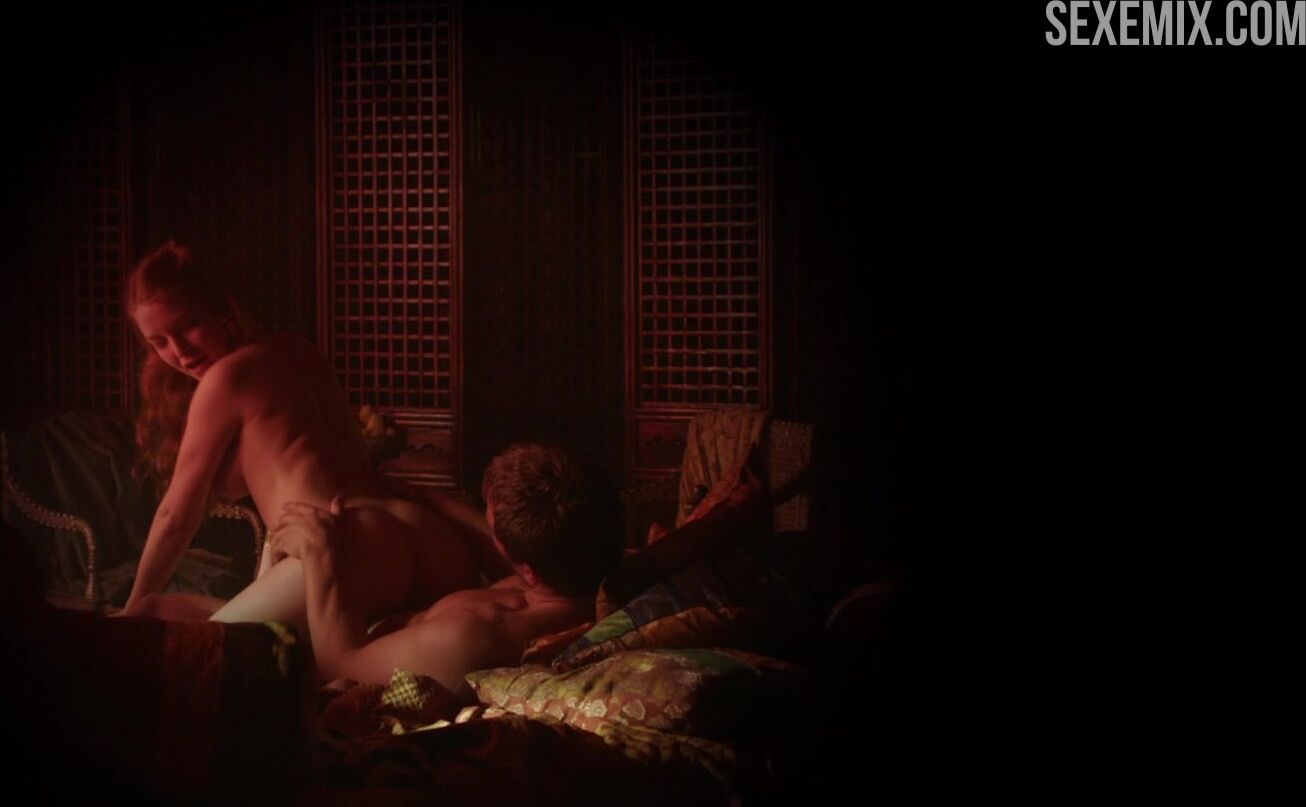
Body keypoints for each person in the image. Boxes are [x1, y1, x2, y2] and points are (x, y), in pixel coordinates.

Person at [120, 240, 480, 634]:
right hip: (424, 538)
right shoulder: (300, 352)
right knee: (162, 609)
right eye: (159, 342)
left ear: (220, 307)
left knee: (170, 628)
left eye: (188, 324)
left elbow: (176, 516)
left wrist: (129, 609)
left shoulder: (225, 379)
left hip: (342, 547)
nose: (179, 350)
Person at [269, 442, 623, 699]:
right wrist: (426, 498)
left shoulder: (473, 636)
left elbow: (341, 666)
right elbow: (508, 548)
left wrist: (320, 555)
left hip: (325, 650)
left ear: (529, 571)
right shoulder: (581, 568)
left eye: (490, 520)